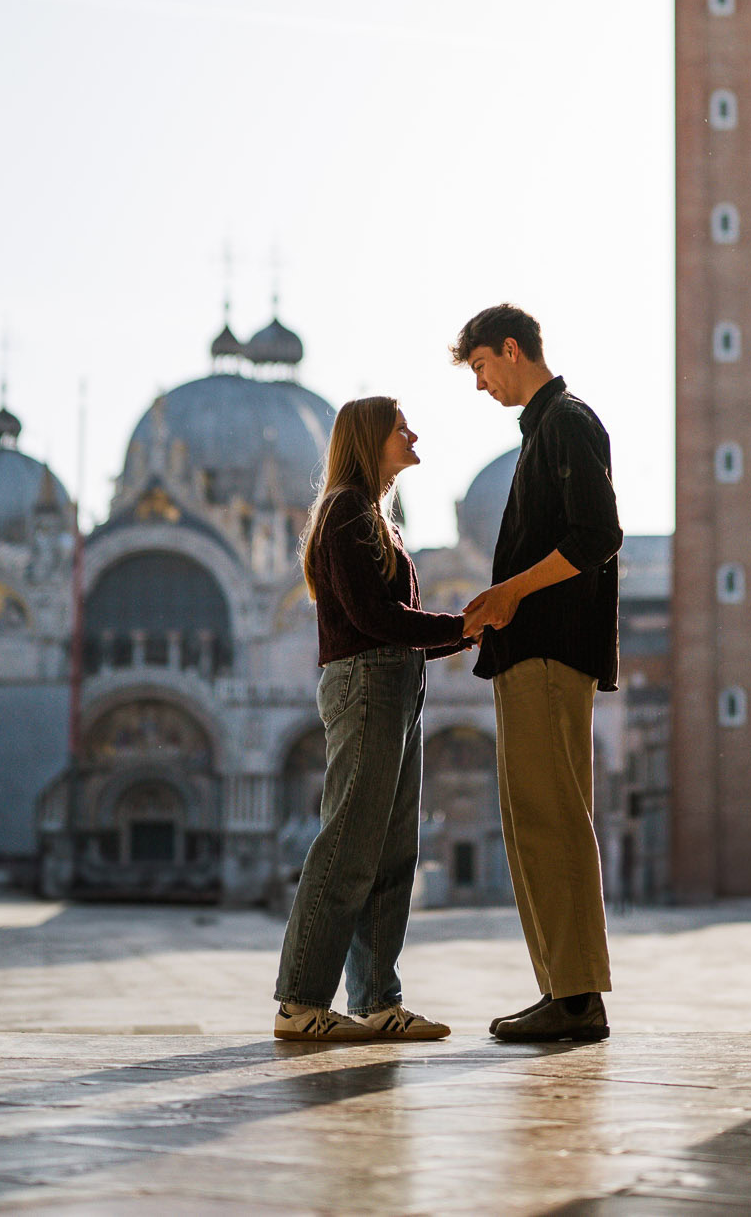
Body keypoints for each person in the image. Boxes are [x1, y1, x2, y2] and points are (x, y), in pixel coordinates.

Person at [274, 395, 467, 1042]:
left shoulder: (374, 517)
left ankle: (378, 1000)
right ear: (369, 440)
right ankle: (301, 1003)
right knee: (349, 845)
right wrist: (469, 627)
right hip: (367, 682)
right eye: (399, 428)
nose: (413, 434)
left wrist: (464, 633)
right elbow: (375, 620)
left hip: (394, 683)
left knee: (392, 851)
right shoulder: (346, 513)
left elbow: (392, 626)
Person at [454, 303, 622, 1043]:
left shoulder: (566, 422)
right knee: (534, 823)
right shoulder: (544, 430)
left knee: (551, 822)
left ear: (511, 349)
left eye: (483, 367)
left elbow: (599, 534)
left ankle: (577, 998)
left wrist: (511, 591)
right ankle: (562, 988)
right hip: (533, 654)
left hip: (550, 650)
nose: (481, 385)